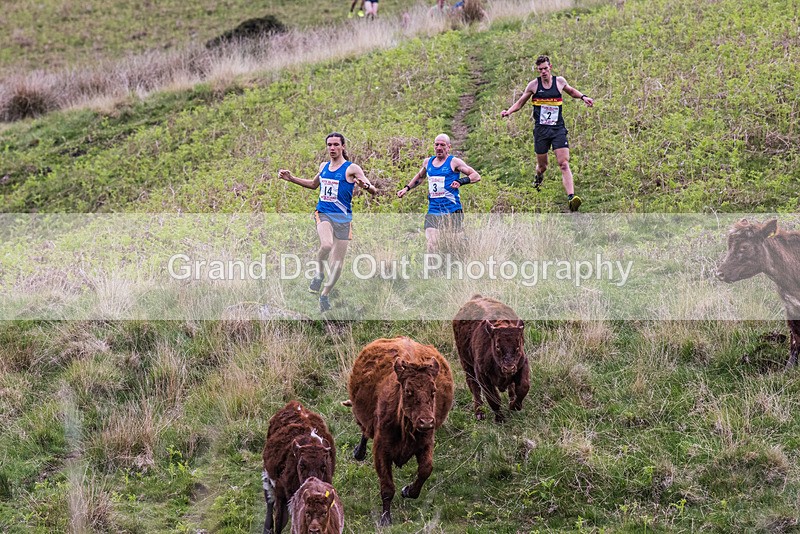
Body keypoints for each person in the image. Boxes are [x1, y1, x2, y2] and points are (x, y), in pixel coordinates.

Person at [279, 133, 377, 312]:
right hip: (323, 213)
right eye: (329, 145)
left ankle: (324, 294)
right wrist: (291, 178)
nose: (332, 148)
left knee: (338, 265)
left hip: (344, 220)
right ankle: (318, 274)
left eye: (335, 145)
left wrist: (367, 187)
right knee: (326, 245)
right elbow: (313, 184)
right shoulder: (324, 166)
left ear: (343, 146)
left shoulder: (351, 168)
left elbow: (374, 190)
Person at [501, 55, 594, 212]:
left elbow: (571, 91)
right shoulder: (533, 86)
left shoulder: (559, 82)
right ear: (538, 70)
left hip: (558, 129)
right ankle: (538, 177)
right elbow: (520, 103)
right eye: (540, 69)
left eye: (545, 68)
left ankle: (571, 198)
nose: (543, 71)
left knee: (563, 163)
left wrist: (584, 97)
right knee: (543, 166)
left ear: (550, 67)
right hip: (541, 131)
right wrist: (508, 112)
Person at [396, 134, 481, 253]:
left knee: (456, 246)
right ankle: (432, 270)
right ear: (434, 146)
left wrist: (460, 181)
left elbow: (476, 176)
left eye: (442, 145)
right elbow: (420, 177)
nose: (439, 147)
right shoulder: (427, 162)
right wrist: (406, 188)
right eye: (437, 145)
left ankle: (462, 261)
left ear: (448, 147)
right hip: (434, 209)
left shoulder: (454, 162)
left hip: (452, 209)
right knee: (432, 244)